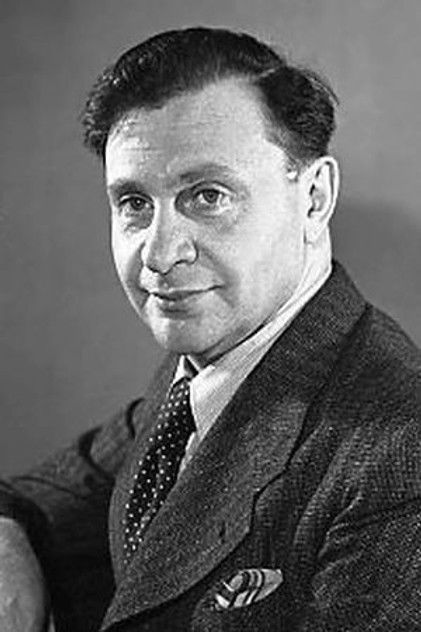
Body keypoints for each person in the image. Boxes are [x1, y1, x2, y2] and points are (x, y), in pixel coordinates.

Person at [0, 26, 420, 632]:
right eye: (134, 203)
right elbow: (55, 489)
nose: (159, 254)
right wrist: (8, 539)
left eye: (208, 196)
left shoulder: (399, 452)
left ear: (314, 198)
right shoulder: (197, 382)